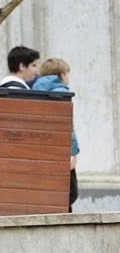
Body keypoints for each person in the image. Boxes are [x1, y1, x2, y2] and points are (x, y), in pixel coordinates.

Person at [33, 58, 80, 206]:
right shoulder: (61, 93)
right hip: (62, 150)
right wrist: (73, 153)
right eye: (68, 73)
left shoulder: (34, 92)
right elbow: (67, 126)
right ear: (62, 74)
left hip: (43, 150)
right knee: (70, 194)